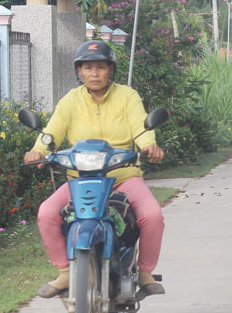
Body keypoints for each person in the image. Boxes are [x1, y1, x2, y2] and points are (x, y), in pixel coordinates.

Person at [24, 40, 166, 299]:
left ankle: (145, 273)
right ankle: (65, 272)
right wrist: (39, 151)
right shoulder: (70, 100)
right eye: (88, 68)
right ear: (79, 71)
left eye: (100, 67)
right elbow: (51, 133)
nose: (94, 73)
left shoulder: (128, 96)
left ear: (110, 69)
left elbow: (140, 126)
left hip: (123, 177)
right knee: (47, 213)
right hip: (81, 179)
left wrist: (148, 146)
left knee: (152, 215)